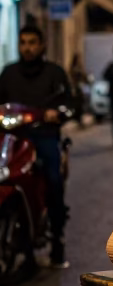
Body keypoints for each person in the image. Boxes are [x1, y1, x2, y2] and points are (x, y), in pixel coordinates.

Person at [0, 22, 75, 267]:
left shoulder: (54, 73)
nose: (27, 48)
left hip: (43, 136)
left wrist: (57, 113)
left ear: (41, 45)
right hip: (12, 138)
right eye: (23, 43)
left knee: (53, 180)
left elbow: (70, 104)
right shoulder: (8, 74)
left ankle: (58, 241)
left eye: (32, 43)